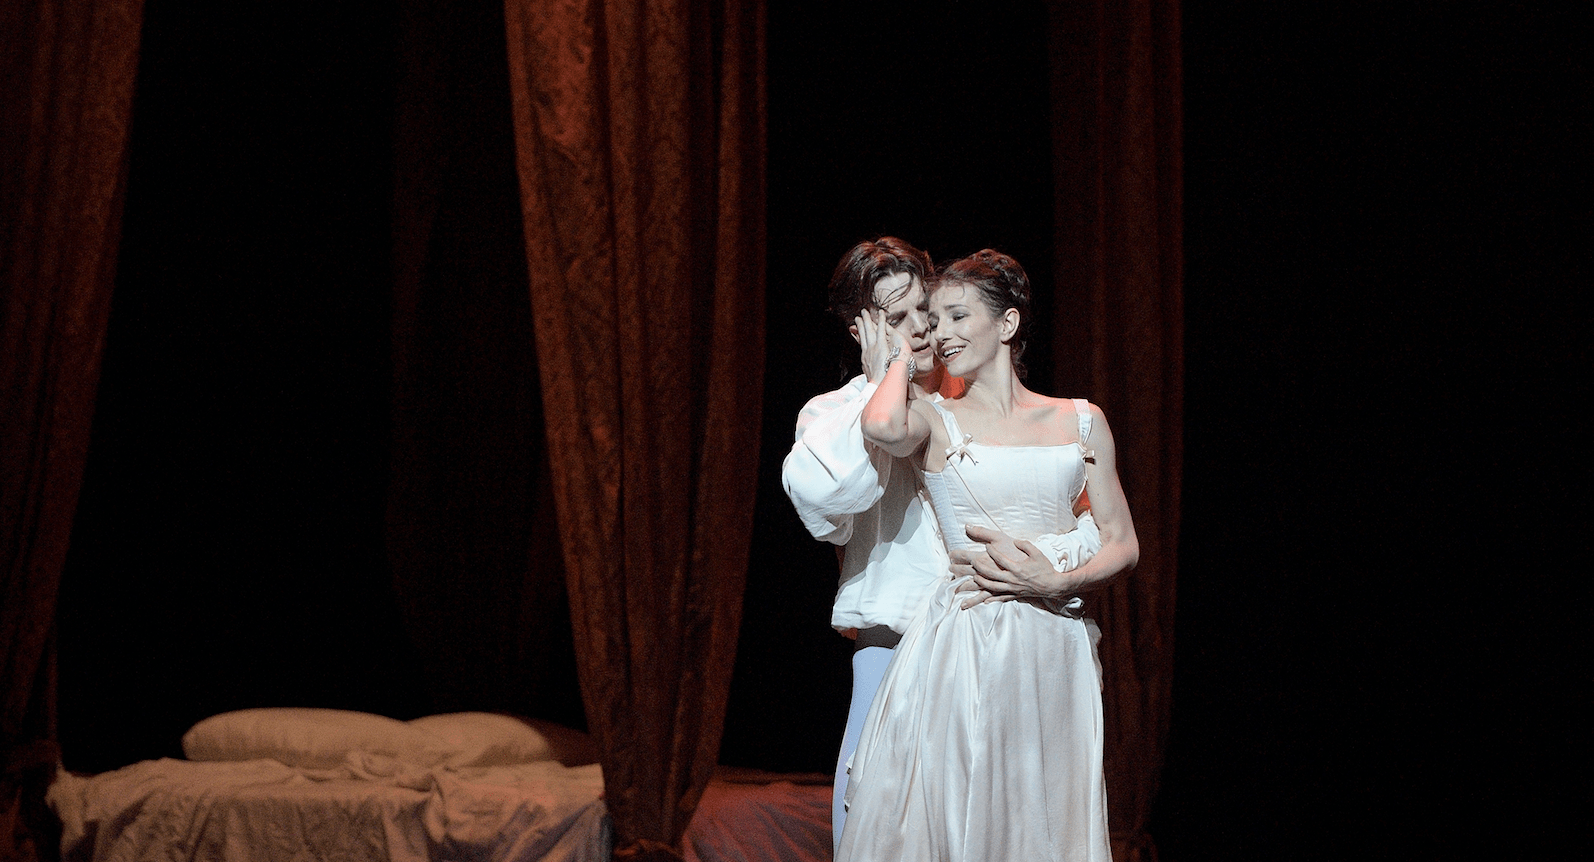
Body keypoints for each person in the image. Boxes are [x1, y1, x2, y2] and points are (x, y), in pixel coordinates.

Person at [838, 249, 1138, 862]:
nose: (938, 333)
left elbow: (1123, 542)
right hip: (968, 643)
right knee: (966, 814)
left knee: (1046, 816)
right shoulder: (935, 417)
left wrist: (1053, 579)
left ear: (1007, 325)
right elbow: (881, 426)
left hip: (1056, 641)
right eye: (929, 318)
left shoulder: (1080, 420)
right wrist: (899, 354)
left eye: (954, 316)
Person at [780, 237, 950, 851]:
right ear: (863, 329)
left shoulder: (972, 400)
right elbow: (829, 505)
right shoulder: (835, 414)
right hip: (891, 643)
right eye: (897, 320)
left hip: (979, 638)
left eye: (924, 311)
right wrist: (883, 385)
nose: (920, 331)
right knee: (871, 821)